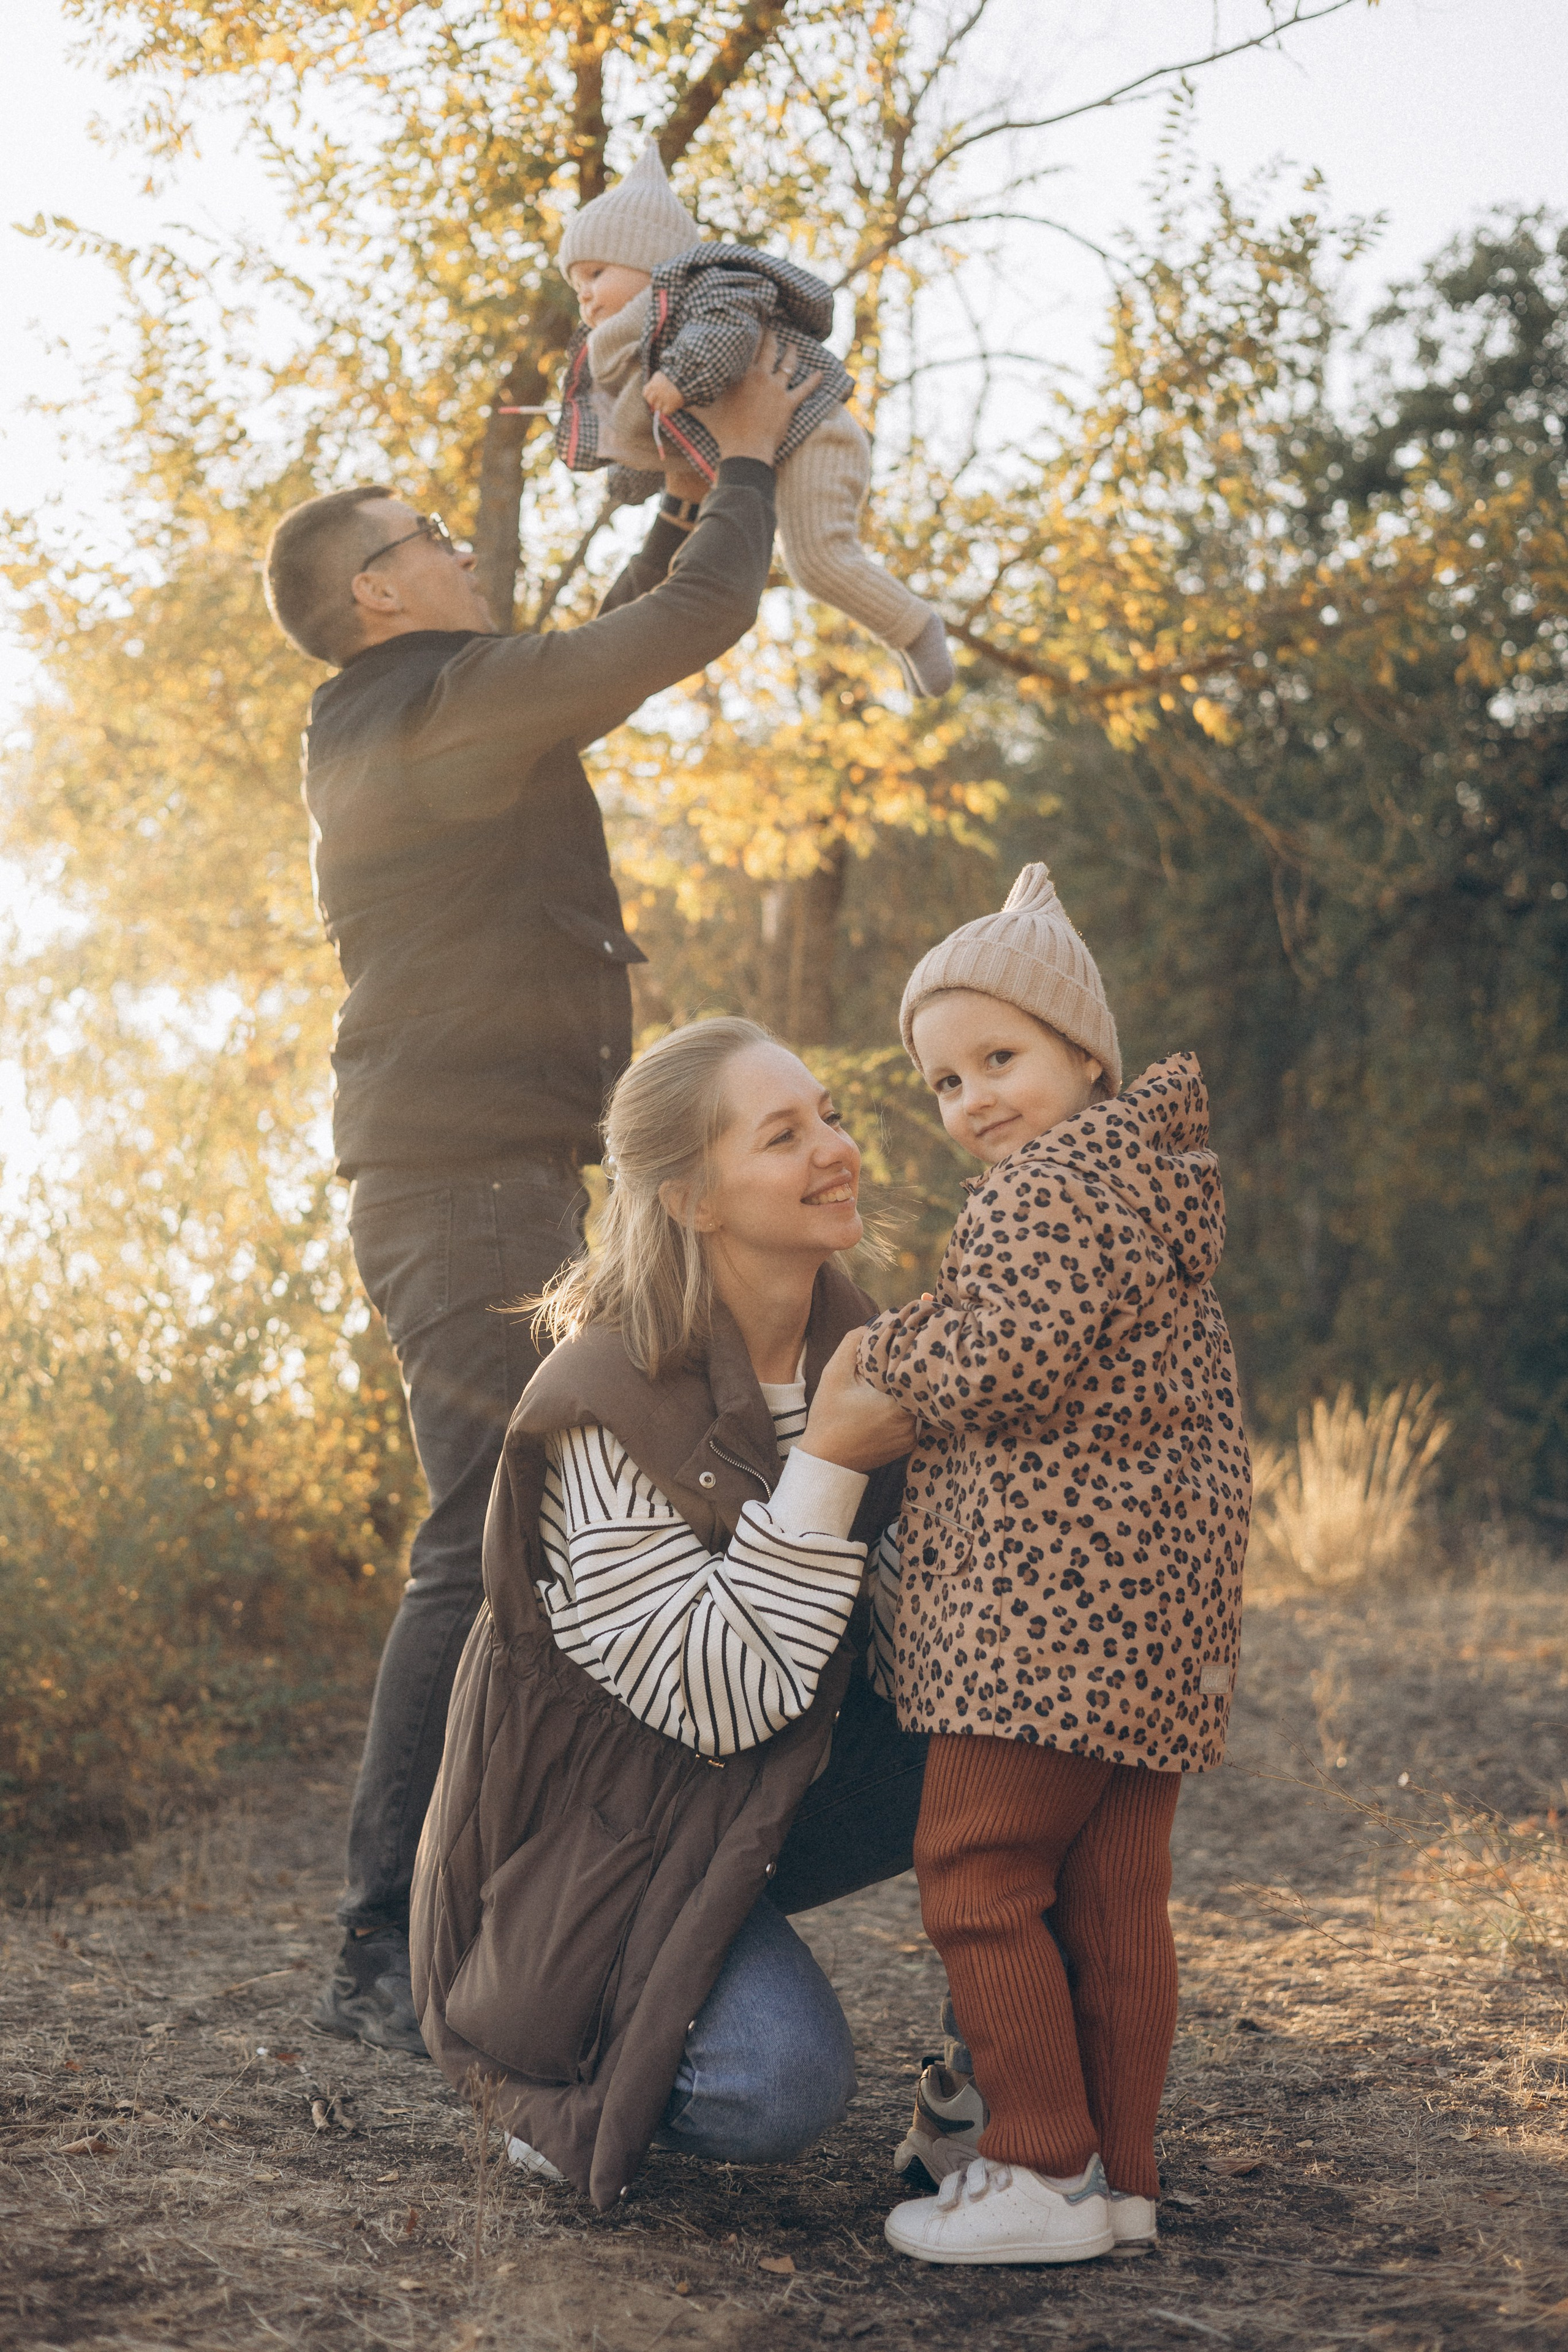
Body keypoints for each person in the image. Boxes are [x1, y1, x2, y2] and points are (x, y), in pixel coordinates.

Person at [261, 345, 820, 2056]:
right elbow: (674, 639)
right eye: (432, 534)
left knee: (507, 1534)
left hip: (491, 1182)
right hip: (457, 1196)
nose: (462, 546)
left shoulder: (429, 709)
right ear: (376, 593)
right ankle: (400, 1941)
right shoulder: (417, 713)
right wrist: (740, 472)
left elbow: (601, 662)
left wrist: (678, 509)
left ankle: (455, 1913)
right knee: (497, 1538)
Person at [411, 1019, 927, 2208]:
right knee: (777, 2082)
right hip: (581, 1850)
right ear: (693, 1198)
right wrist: (836, 1461)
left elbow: (916, 1641)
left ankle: (1008, 2079)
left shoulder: (863, 1350)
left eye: (832, 1116)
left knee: (1029, 1728)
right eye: (784, 1135)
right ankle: (531, 2049)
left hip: (739, 1808)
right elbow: (725, 1694)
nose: (835, 1149)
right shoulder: (599, 1399)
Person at [850, 864, 1253, 2266]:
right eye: (944, 1082)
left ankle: (1039, 2165)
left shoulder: (1046, 1195)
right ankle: (1119, 2178)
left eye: (998, 1058)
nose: (972, 1102)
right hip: (1151, 1626)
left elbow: (1002, 1352)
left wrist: (881, 1359)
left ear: (1088, 1055)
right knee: (1111, 1894)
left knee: (971, 1869)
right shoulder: (1141, 1194)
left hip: (1047, 1621)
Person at [551, 140, 955, 697]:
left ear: (650, 259)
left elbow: (728, 330)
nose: (588, 298)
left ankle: (915, 627)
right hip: (770, 446)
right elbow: (660, 436)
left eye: (597, 273)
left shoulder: (705, 287)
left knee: (818, 559)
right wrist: (632, 474)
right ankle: (905, 634)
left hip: (813, 431)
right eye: (577, 289)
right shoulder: (636, 354)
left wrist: (683, 376)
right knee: (801, 561)